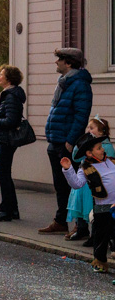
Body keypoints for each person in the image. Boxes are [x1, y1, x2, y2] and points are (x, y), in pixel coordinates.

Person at [41, 48, 93, 235]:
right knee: (60, 185)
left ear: (69, 63)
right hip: (55, 141)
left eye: (60, 59)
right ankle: (60, 221)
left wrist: (70, 141)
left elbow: (81, 116)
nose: (57, 62)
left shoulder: (79, 85)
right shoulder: (64, 83)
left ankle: (80, 226)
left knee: (74, 185)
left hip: (66, 143)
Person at [60, 135, 115, 273]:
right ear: (89, 153)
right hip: (102, 207)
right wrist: (68, 170)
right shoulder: (85, 167)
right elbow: (77, 184)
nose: (102, 150)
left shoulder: (111, 161)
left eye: (101, 147)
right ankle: (100, 261)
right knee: (101, 235)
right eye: (98, 148)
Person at [0, 65, 26, 222]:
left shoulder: (10, 96)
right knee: (5, 173)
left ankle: (6, 210)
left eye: (1, 74)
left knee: (3, 174)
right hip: (7, 138)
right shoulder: (12, 95)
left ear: (8, 78)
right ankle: (12, 209)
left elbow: (11, 121)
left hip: (7, 139)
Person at [67, 117, 112, 244]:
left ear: (101, 131)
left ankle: (95, 234)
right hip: (84, 178)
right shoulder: (89, 144)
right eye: (88, 127)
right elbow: (76, 158)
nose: (88, 130)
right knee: (80, 204)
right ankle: (81, 228)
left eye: (92, 128)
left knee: (92, 208)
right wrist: (80, 144)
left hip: (94, 181)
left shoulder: (105, 146)